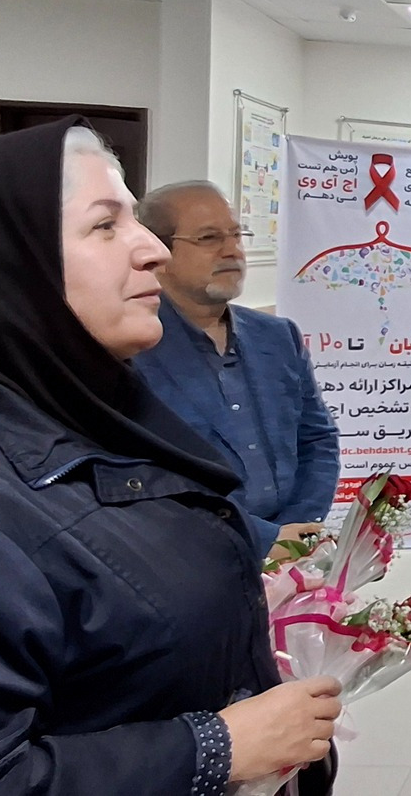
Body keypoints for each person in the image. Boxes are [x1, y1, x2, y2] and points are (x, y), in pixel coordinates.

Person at [0, 120, 341, 795]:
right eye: (106, 226)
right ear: (11, 265)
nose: (151, 250)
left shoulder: (83, 408)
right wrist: (213, 749)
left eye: (136, 220)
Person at [133, 180, 339, 560]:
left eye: (236, 235)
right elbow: (143, 474)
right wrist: (262, 538)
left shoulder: (278, 336)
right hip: (189, 557)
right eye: (209, 238)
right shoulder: (133, 351)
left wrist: (295, 532)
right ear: (158, 251)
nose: (232, 250)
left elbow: (317, 439)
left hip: (291, 555)